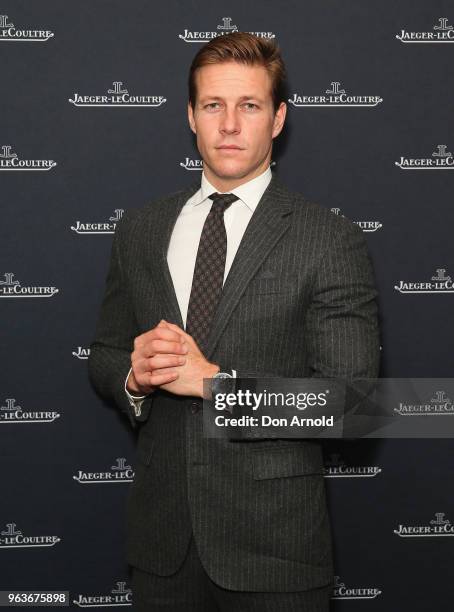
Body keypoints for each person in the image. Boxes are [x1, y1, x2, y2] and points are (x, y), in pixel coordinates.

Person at [88, 32, 380, 612]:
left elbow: (353, 405)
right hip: (161, 547)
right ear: (191, 116)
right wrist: (132, 375)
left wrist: (216, 385)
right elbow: (103, 353)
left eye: (249, 105)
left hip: (275, 553)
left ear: (277, 119)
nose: (229, 124)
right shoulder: (141, 230)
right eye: (213, 106)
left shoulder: (328, 239)